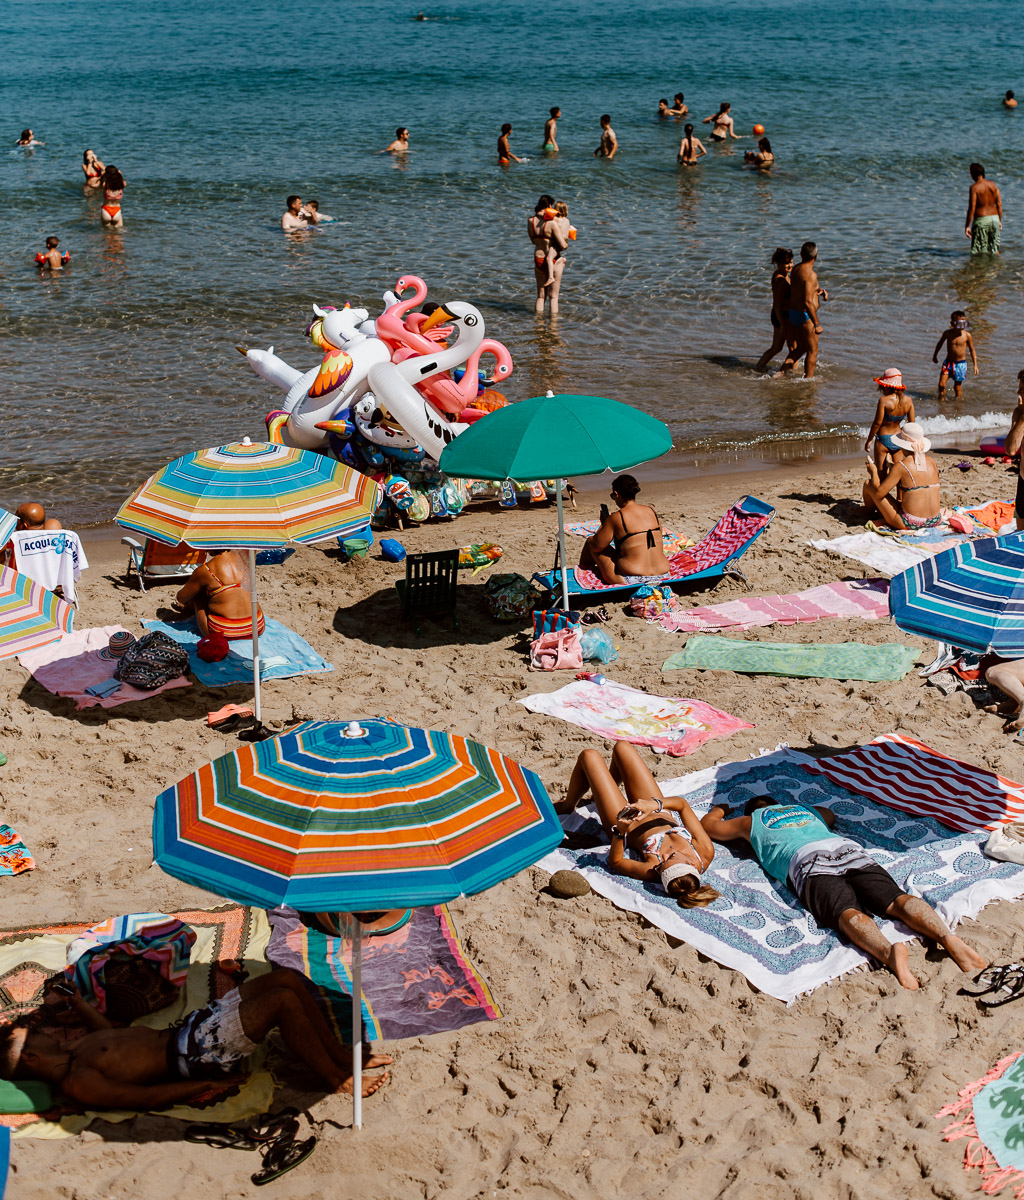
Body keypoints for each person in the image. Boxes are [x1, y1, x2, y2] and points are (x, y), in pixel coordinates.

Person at [701, 797, 987, 989]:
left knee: (845, 911)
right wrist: (803, 812)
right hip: (847, 849)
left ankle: (889, 953)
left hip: (807, 860)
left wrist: (720, 811)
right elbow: (830, 815)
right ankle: (948, 938)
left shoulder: (752, 821)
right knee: (896, 899)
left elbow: (710, 828)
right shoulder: (805, 811)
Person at [0, 968, 392, 1104]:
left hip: (191, 1030)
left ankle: (341, 1055)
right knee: (282, 1002)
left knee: (287, 980)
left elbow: (112, 1037)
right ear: (31, 1059)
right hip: (198, 1053)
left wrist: (81, 1004)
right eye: (35, 1037)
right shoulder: (79, 1082)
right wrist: (203, 1086)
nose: (42, 1031)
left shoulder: (74, 1049)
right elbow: (146, 1096)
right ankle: (335, 1078)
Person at [558, 744, 720, 908]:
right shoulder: (704, 852)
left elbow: (617, 862)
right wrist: (654, 805)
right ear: (691, 864)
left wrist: (619, 832)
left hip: (625, 821)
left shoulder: (653, 870)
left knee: (589, 755)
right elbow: (682, 805)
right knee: (623, 747)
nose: (662, 860)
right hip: (653, 807)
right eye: (669, 858)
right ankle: (603, 789)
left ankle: (568, 806)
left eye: (661, 867)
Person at [578, 474, 670, 584]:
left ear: (617, 494)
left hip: (630, 578)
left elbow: (596, 546)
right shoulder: (651, 511)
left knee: (590, 542)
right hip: (663, 574)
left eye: (612, 495)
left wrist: (604, 524)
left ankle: (583, 575)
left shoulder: (617, 517)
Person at [862, 422, 943, 531]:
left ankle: (869, 513)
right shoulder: (932, 462)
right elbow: (915, 482)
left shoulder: (902, 466)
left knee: (869, 485)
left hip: (910, 523)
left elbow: (879, 493)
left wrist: (873, 472)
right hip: (935, 520)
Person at [173, 549, 265, 639]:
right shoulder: (245, 560)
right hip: (257, 627)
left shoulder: (206, 569)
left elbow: (181, 597)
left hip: (223, 632)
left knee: (198, 594)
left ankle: (190, 609)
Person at [781, 242, 826, 378]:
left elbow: (802, 290)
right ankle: (808, 380)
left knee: (800, 348)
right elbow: (807, 302)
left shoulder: (796, 269)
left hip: (793, 313)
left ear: (801, 255)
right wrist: (817, 324)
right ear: (816, 255)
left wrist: (820, 291)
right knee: (813, 350)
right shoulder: (811, 274)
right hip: (805, 315)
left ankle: (780, 372)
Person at [864, 367, 915, 471]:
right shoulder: (908, 401)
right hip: (898, 439)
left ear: (887, 387)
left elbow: (877, 424)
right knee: (897, 473)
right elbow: (912, 424)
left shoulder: (884, 401)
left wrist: (869, 440)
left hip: (883, 439)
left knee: (881, 473)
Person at [754, 247, 794, 372]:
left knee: (787, 347)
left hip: (784, 315)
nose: (790, 265)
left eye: (791, 262)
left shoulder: (784, 275)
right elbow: (777, 305)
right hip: (780, 315)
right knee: (784, 348)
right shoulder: (780, 280)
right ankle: (761, 367)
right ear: (778, 264)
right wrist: (782, 324)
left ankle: (760, 367)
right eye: (787, 263)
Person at [932, 311, 979, 401]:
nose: (962, 325)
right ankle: (942, 403)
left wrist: (975, 365)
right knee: (941, 385)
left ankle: (957, 406)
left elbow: (972, 350)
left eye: (964, 322)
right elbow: (939, 344)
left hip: (960, 364)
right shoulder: (947, 333)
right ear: (952, 323)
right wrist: (935, 355)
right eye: (959, 323)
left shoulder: (967, 336)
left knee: (957, 387)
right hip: (948, 363)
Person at [965, 163, 1002, 255]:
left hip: (981, 221)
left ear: (972, 174)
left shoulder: (974, 188)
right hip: (994, 219)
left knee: (978, 252)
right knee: (994, 249)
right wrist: (999, 221)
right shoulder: (993, 185)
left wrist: (967, 226)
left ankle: (979, 268)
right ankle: (997, 268)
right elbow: (999, 204)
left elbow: (972, 208)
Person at [1005, 368, 1024, 531]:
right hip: (1023, 481)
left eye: (1023, 389)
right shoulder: (1019, 413)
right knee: (1021, 534)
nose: (1018, 392)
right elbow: (1011, 449)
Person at [539, 200, 571, 288]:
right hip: (565, 241)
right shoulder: (567, 220)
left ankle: (550, 277)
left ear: (557, 210)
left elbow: (545, 217)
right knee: (555, 255)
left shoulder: (555, 219)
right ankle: (561, 260)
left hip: (558, 243)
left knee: (549, 258)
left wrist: (547, 209)